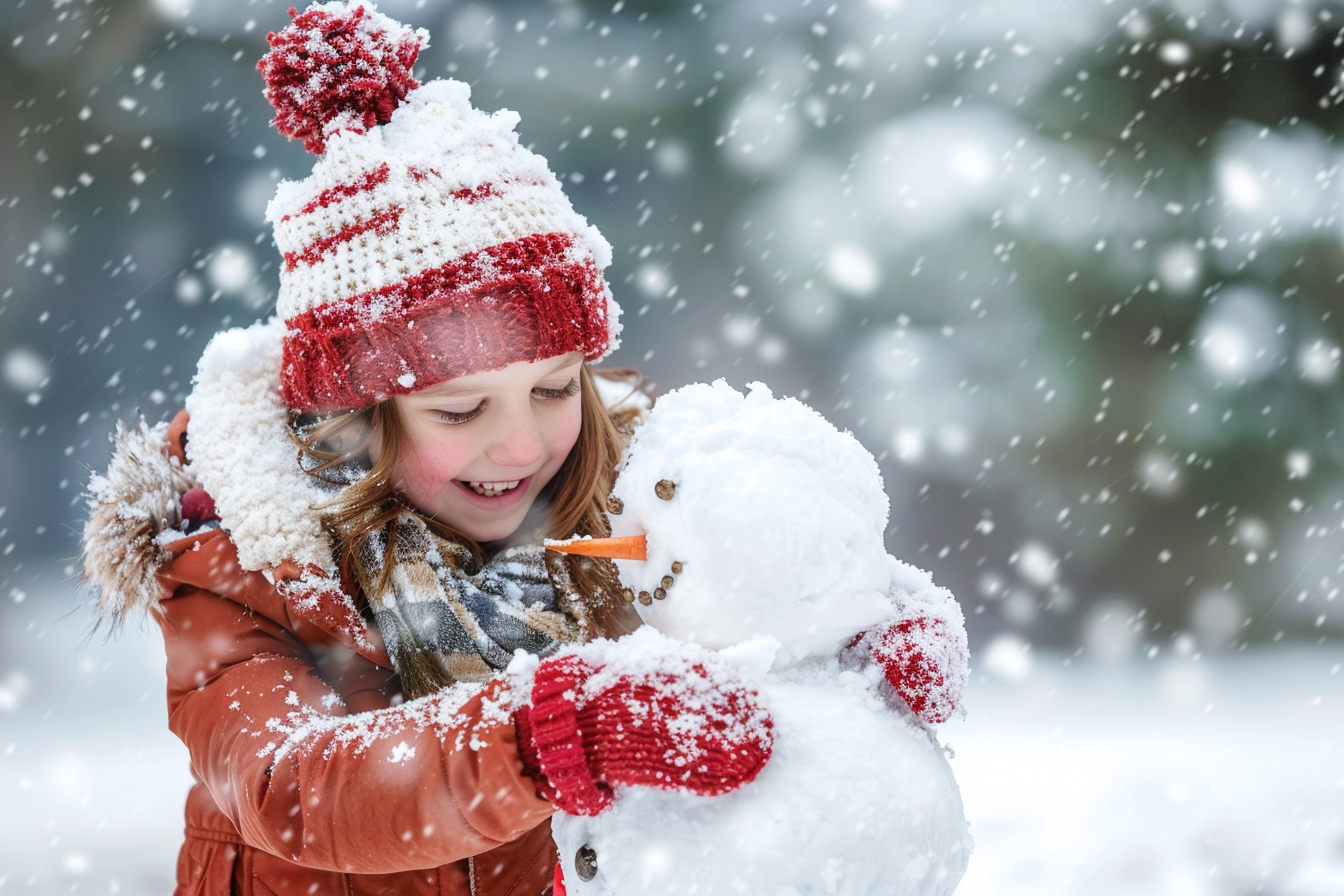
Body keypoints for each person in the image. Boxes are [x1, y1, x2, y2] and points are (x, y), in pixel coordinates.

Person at [79, 3, 774, 894]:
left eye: (555, 389)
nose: (521, 443)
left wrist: (862, 657)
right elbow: (298, 785)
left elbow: (769, 620)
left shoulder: (636, 506)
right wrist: (552, 733)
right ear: (356, 418)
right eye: (459, 410)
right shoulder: (240, 561)